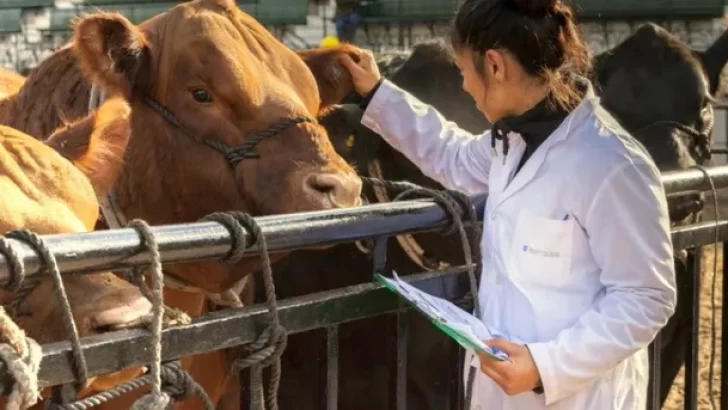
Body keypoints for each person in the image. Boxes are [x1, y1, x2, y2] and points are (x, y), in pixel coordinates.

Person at [337, 0, 677, 408]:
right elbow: (451, 155)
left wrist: (546, 366)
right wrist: (377, 91)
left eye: (464, 70)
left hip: (578, 398)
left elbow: (646, 297)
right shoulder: (513, 141)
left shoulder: (613, 164)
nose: (464, 86)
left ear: (495, 66)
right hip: (501, 391)